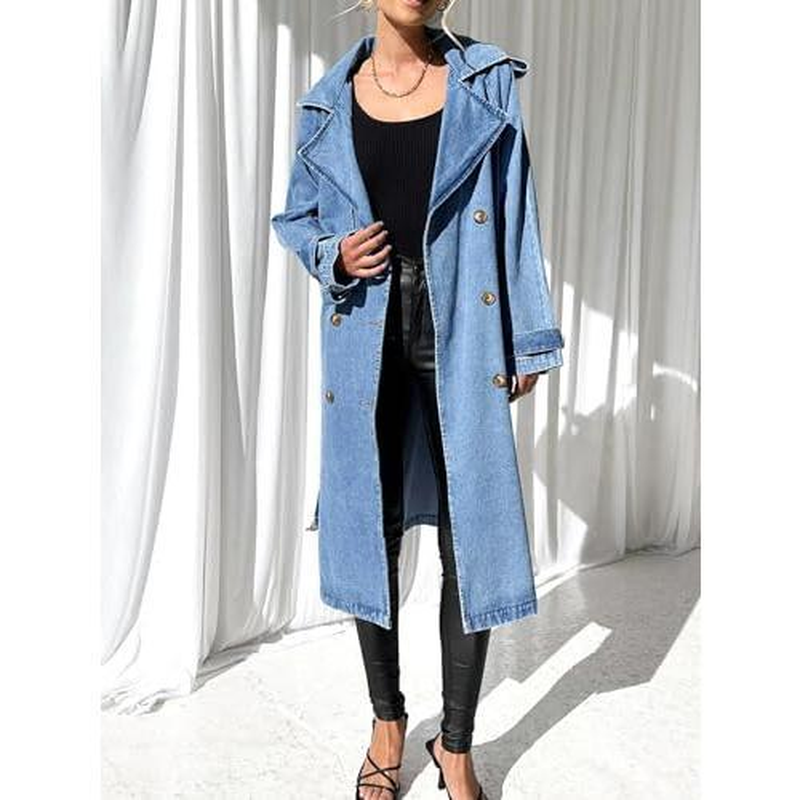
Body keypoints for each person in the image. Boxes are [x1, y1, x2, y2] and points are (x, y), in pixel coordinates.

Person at [271, 1, 565, 798]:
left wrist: (527, 335)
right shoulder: (325, 102)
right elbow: (293, 218)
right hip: (365, 329)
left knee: (475, 530)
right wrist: (332, 253)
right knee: (371, 526)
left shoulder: (484, 81)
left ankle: (456, 745)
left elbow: (515, 208)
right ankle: (388, 723)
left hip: (463, 321)